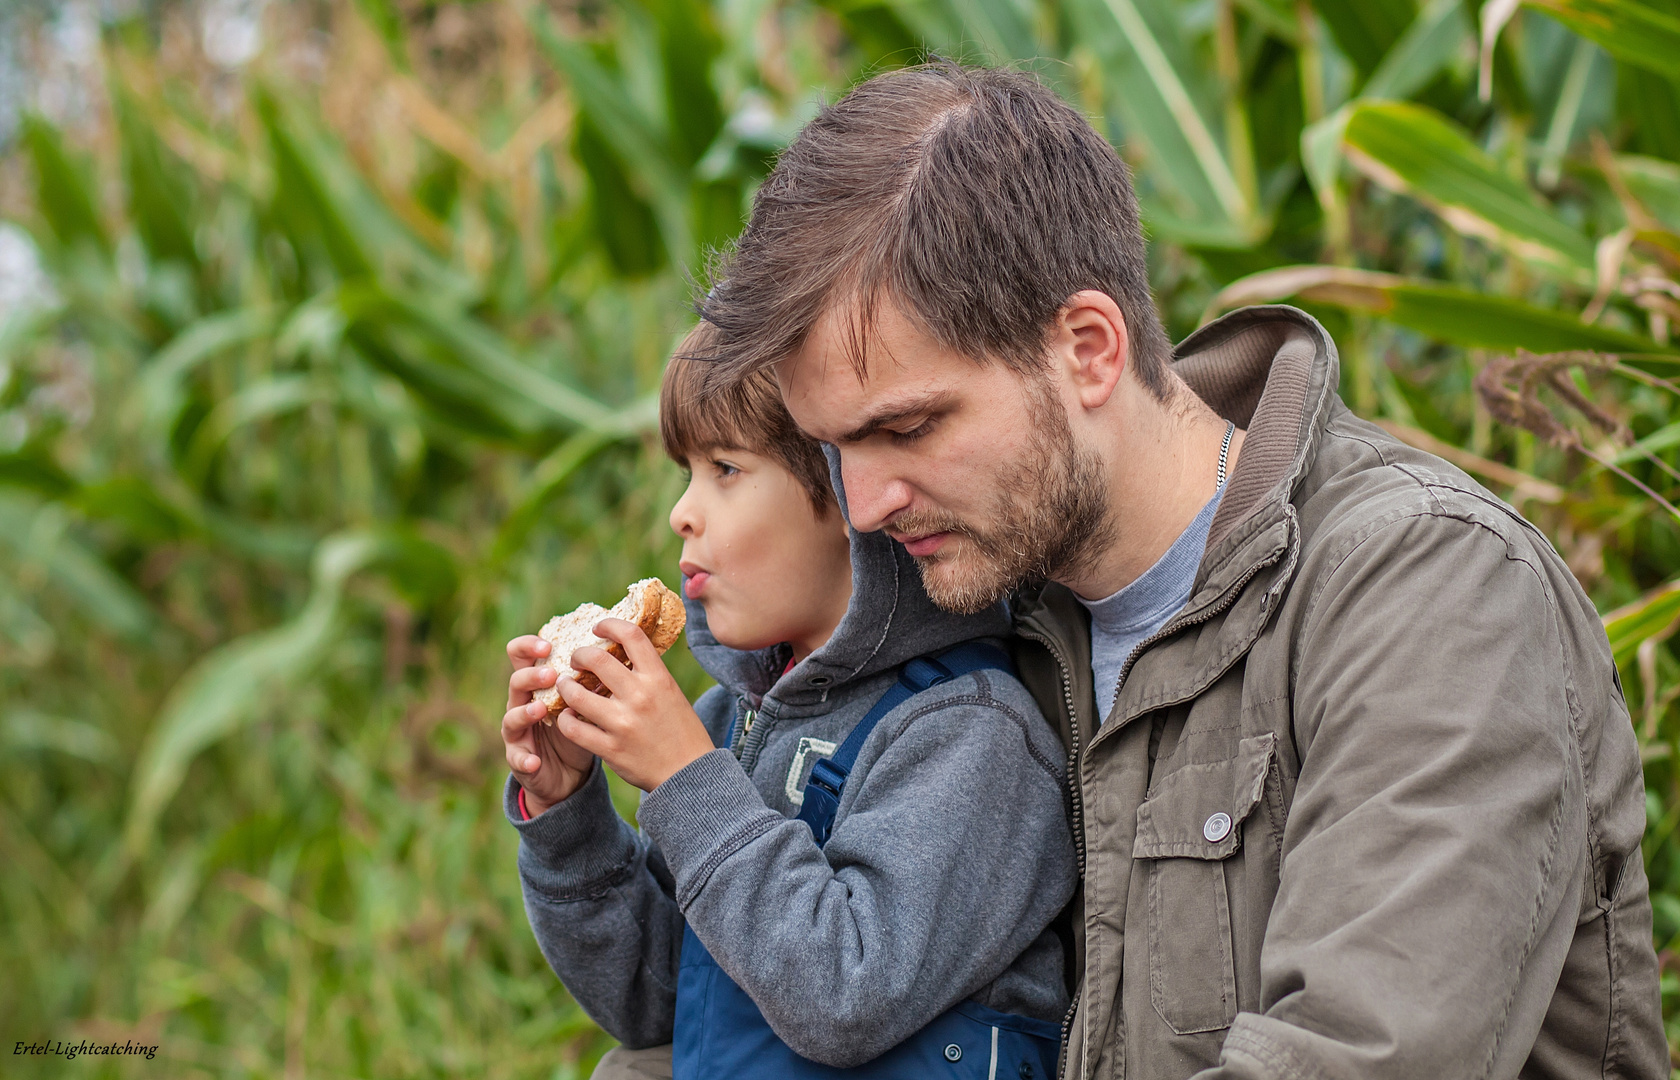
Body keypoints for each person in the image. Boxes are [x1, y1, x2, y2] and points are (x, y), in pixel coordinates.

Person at [691, 62, 1668, 1080]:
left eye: (908, 427)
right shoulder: (978, 621)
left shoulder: (1432, 594)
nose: (865, 505)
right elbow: (716, 1016)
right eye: (835, 450)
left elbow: (1357, 1058)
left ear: (1087, 348)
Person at [498, 324, 1076, 1080]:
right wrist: (568, 814)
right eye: (686, 473)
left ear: (847, 497)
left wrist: (687, 782)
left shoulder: (970, 737)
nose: (682, 512)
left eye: (726, 469)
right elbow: (661, 1007)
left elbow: (846, 998)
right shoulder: (726, 725)